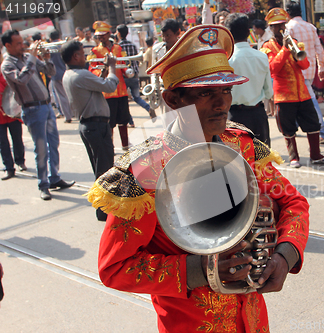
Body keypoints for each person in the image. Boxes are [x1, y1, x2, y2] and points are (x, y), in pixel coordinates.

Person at [88, 24, 309, 332]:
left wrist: (285, 255)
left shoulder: (243, 145)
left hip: (253, 320)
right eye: (206, 93)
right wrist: (199, 270)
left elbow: (294, 203)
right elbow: (114, 267)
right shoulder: (143, 171)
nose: (222, 104)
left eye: (226, 91)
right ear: (172, 100)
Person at [1, 29, 74, 199]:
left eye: (22, 42)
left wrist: (47, 58)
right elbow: (21, 79)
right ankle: (43, 184)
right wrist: (33, 57)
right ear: (8, 45)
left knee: (53, 144)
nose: (22, 46)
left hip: (46, 106)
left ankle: (54, 178)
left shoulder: (27, 58)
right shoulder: (7, 65)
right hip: (32, 109)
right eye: (18, 43)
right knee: (41, 149)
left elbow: (51, 72)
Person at [262, 8, 324, 168]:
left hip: (302, 92)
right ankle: (294, 158)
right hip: (283, 94)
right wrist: (286, 50)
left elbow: (305, 64)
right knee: (288, 128)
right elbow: (273, 68)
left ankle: (316, 155)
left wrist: (295, 51)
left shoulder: (295, 41)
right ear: (271, 28)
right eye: (276, 26)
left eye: (282, 25)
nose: (280, 28)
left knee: (313, 123)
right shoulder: (267, 46)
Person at [62, 40, 118, 221]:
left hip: (90, 125)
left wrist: (101, 74)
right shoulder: (81, 75)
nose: (85, 57)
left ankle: (104, 208)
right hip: (95, 126)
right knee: (105, 170)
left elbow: (94, 88)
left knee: (102, 167)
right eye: (82, 53)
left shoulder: (69, 74)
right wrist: (112, 68)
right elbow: (110, 86)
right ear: (75, 56)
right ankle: (104, 211)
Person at [225, 13, 273, 147]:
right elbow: (269, 92)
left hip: (234, 116)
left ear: (229, 34)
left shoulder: (226, 60)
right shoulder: (261, 56)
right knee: (261, 159)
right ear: (248, 32)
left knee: (238, 160)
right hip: (257, 114)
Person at [286, 2, 324, 144]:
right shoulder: (310, 27)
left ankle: (322, 130)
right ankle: (300, 126)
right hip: (310, 69)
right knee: (303, 99)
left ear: (287, 14)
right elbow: (319, 48)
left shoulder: (289, 28)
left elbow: (288, 50)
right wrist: (321, 67)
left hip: (297, 70)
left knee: (310, 100)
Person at [88, 21, 131, 151]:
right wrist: (102, 72)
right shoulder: (95, 51)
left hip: (121, 90)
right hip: (107, 93)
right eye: (99, 36)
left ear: (108, 34)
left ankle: (125, 146)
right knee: (110, 122)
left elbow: (123, 63)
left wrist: (127, 71)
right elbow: (92, 68)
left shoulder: (118, 48)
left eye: (103, 35)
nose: (101, 38)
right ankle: (110, 148)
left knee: (123, 120)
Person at [116, 24, 153, 120]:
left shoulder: (117, 47)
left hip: (123, 76)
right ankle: (148, 108)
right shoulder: (132, 45)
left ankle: (130, 120)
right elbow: (136, 60)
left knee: (124, 101)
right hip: (134, 74)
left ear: (119, 34)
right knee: (137, 97)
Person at [0, 53, 26, 180]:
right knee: (2, 142)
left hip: (11, 111)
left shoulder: (5, 71)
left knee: (17, 138)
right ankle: (9, 168)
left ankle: (20, 161)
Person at [48, 30, 72, 123]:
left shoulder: (49, 47)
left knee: (61, 96)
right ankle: (72, 113)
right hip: (65, 72)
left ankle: (67, 116)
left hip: (55, 74)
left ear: (51, 38)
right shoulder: (63, 45)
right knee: (68, 94)